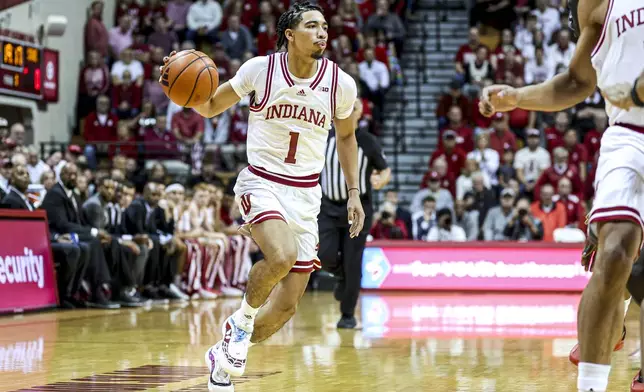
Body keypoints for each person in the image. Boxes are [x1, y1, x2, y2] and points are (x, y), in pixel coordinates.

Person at [160, 3, 364, 389]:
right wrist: (178, 83)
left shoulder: (340, 83)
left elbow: (347, 136)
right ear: (290, 34)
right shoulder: (260, 69)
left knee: (285, 308)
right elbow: (208, 107)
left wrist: (353, 192)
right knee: (282, 255)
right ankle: (238, 325)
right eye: (312, 26)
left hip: (306, 195)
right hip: (262, 182)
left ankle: (224, 357)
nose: (322, 33)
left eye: (324, 27)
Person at [479, 1, 644, 389]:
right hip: (631, 135)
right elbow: (576, 81)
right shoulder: (599, 3)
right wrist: (517, 96)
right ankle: (590, 383)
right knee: (616, 248)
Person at [318, 113, 391, 329]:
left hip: (359, 209)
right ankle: (341, 277)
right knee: (324, 254)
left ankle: (347, 315)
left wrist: (380, 180)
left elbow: (384, 169)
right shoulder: (324, 136)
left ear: (360, 113)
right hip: (327, 206)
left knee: (353, 261)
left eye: (355, 106)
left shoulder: (367, 141)